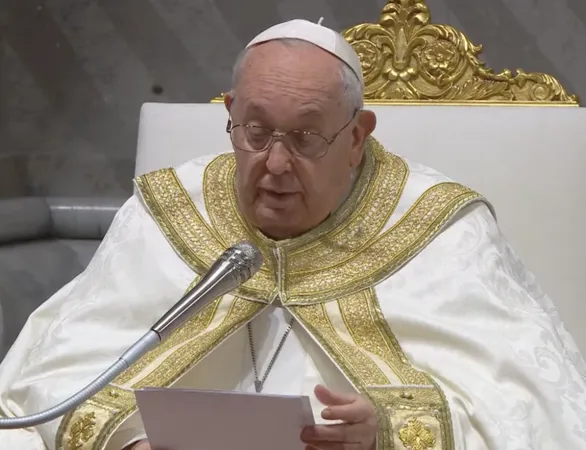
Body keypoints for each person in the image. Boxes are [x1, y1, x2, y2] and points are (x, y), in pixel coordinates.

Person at [0, 18, 585, 450]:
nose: (275, 164)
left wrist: (392, 433)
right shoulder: (170, 210)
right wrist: (124, 441)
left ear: (357, 136)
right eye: (255, 131)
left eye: (306, 138)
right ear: (229, 114)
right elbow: (49, 383)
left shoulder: (440, 227)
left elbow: (536, 410)